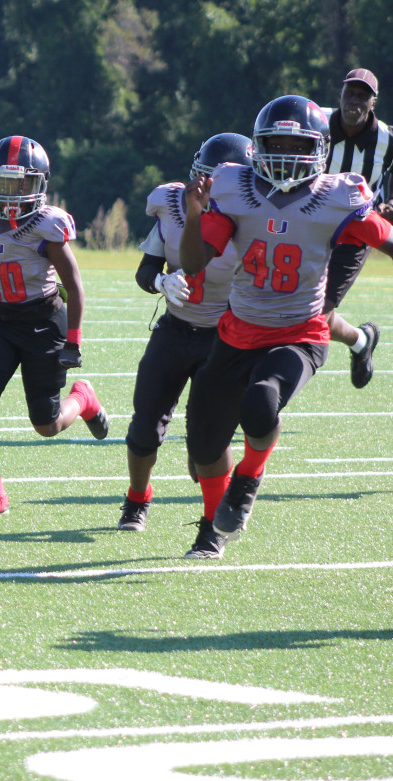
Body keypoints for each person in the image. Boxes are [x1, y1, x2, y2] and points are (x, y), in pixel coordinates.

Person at [178, 95, 393, 559]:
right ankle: (212, 526)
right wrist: (194, 215)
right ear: (257, 146)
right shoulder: (233, 187)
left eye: (299, 145)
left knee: (260, 401)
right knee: (205, 441)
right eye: (278, 143)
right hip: (237, 332)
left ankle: (247, 480)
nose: (287, 156)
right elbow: (193, 261)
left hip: (300, 332)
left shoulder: (337, 197)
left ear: (320, 151)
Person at [0, 135, 108, 516]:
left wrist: (74, 340)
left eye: (18, 184)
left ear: (37, 185)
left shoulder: (47, 225)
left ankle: (83, 399)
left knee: (47, 423)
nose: (8, 193)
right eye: (1, 183)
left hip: (43, 321)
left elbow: (73, 285)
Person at [118, 133, 252, 532]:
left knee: (206, 446)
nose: (208, 189)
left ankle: (215, 516)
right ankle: (137, 500)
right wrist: (161, 283)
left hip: (224, 339)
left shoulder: (252, 218)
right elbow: (145, 270)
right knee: (144, 427)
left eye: (220, 181)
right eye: (204, 178)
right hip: (175, 330)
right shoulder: (172, 207)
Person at [322, 68, 393, 389]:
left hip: (356, 230)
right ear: (340, 94)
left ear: (373, 102)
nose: (355, 101)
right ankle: (361, 340)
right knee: (296, 306)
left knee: (318, 311)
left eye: (363, 96)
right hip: (310, 224)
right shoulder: (316, 122)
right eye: (350, 93)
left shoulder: (390, 138)